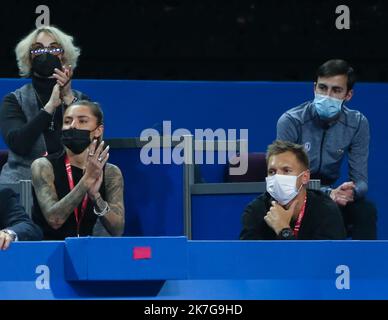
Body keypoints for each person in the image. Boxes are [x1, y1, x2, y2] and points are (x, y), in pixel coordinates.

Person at [276, 59, 377, 240]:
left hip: (331, 196)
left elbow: (361, 181)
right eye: (323, 88)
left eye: (336, 90)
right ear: (314, 88)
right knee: (322, 209)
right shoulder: (291, 121)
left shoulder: (358, 123)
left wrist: (351, 191)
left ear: (348, 95)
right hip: (295, 196)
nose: (327, 95)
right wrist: (327, 193)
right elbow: (285, 181)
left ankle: (362, 265)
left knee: (365, 211)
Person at [0, 25, 88, 184]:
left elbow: (87, 144)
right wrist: (49, 107)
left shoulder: (81, 101)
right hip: (22, 184)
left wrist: (68, 99)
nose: (46, 54)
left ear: (64, 57)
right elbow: (19, 145)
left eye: (54, 48)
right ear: (29, 58)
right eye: (38, 49)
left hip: (69, 186)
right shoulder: (14, 100)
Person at [31, 100, 125, 240]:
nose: (73, 126)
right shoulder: (43, 166)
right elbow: (54, 220)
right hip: (46, 251)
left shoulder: (111, 172)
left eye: (82, 121)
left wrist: (95, 197)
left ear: (98, 130)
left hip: (85, 251)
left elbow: (117, 229)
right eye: (68, 121)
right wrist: (86, 180)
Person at [240, 140, 346, 240]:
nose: (277, 177)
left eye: (286, 170)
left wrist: (283, 230)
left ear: (305, 177)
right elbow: (249, 257)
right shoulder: (257, 210)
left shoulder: (326, 210)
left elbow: (326, 258)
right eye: (272, 172)